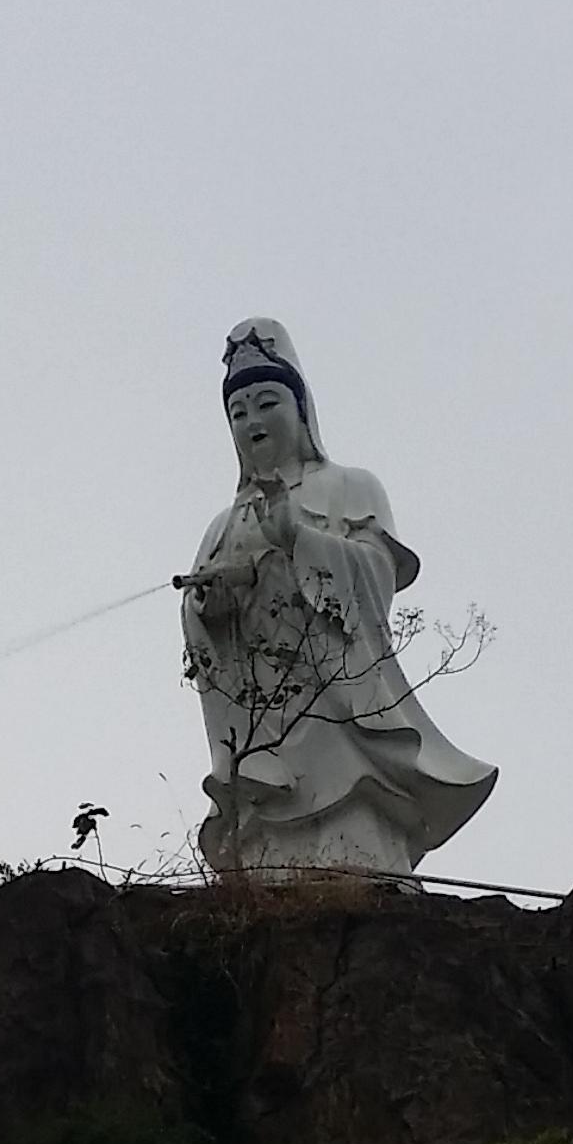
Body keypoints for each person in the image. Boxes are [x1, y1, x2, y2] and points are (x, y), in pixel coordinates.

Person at [179, 318, 497, 876]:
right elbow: (202, 621)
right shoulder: (224, 522)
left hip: (336, 698)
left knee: (356, 834)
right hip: (263, 717)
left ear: (300, 410)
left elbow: (377, 575)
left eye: (267, 403)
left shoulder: (350, 486)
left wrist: (297, 540)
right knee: (266, 861)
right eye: (238, 412)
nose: (253, 422)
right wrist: (210, 604)